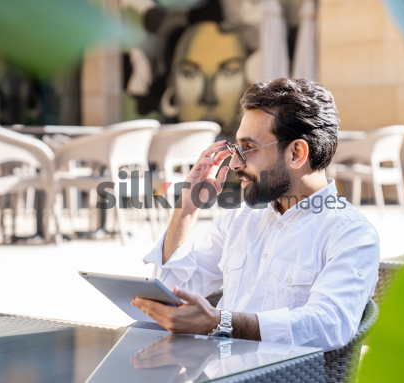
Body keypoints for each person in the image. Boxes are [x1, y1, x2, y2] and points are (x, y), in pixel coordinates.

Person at [133, 78, 379, 352]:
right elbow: (172, 291)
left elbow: (328, 324)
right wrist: (187, 209)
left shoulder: (351, 233)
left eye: (248, 149)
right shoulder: (238, 220)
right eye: (236, 149)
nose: (236, 163)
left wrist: (220, 322)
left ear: (296, 153)